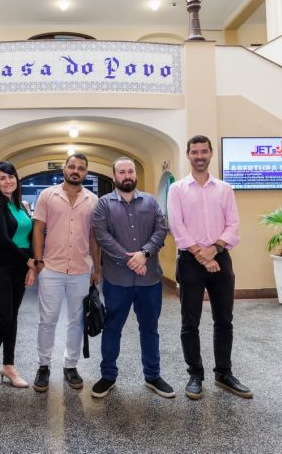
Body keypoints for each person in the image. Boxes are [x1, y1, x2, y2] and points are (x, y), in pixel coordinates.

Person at [167, 135, 253, 400]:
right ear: (188, 155)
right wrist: (201, 255)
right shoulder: (177, 189)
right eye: (195, 152)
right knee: (189, 321)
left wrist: (214, 250)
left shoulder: (225, 189)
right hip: (189, 261)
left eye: (204, 151)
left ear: (211, 153)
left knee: (224, 320)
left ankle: (224, 373)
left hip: (220, 259)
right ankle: (195, 374)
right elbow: (176, 225)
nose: (200, 156)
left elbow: (233, 225)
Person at [90, 157, 173, 399]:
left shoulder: (150, 201)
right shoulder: (103, 205)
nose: (127, 175)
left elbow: (161, 230)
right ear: (114, 176)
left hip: (150, 281)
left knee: (150, 329)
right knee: (112, 328)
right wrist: (131, 261)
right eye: (122, 172)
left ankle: (153, 376)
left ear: (135, 174)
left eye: (130, 171)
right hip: (117, 281)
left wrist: (144, 254)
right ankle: (108, 376)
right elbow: (102, 236)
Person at [31, 153, 100, 392]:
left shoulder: (92, 200)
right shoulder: (47, 195)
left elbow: (94, 238)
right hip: (51, 268)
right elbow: (38, 229)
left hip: (81, 269)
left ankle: (71, 365)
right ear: (64, 169)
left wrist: (96, 268)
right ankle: (43, 365)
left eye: (81, 168)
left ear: (86, 173)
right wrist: (39, 263)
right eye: (72, 166)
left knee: (77, 320)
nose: (75, 171)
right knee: (47, 319)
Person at [0, 161, 37, 394]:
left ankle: (8, 366)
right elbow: (3, 240)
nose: (7, 181)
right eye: (2, 178)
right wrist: (28, 261)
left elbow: (30, 237)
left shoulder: (21, 205)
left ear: (16, 179)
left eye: (10, 176)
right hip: (0, 267)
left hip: (20, 267)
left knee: (12, 317)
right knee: (3, 318)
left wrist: (31, 266)